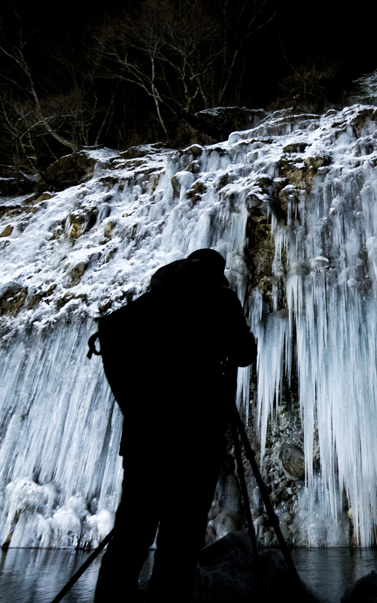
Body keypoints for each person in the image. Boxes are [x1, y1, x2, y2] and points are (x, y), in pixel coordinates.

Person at [94, 248, 257, 602]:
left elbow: (108, 334)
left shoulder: (152, 301)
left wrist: (136, 411)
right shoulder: (219, 298)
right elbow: (244, 353)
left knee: (131, 538)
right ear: (217, 272)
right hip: (195, 442)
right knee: (179, 543)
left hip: (145, 441)